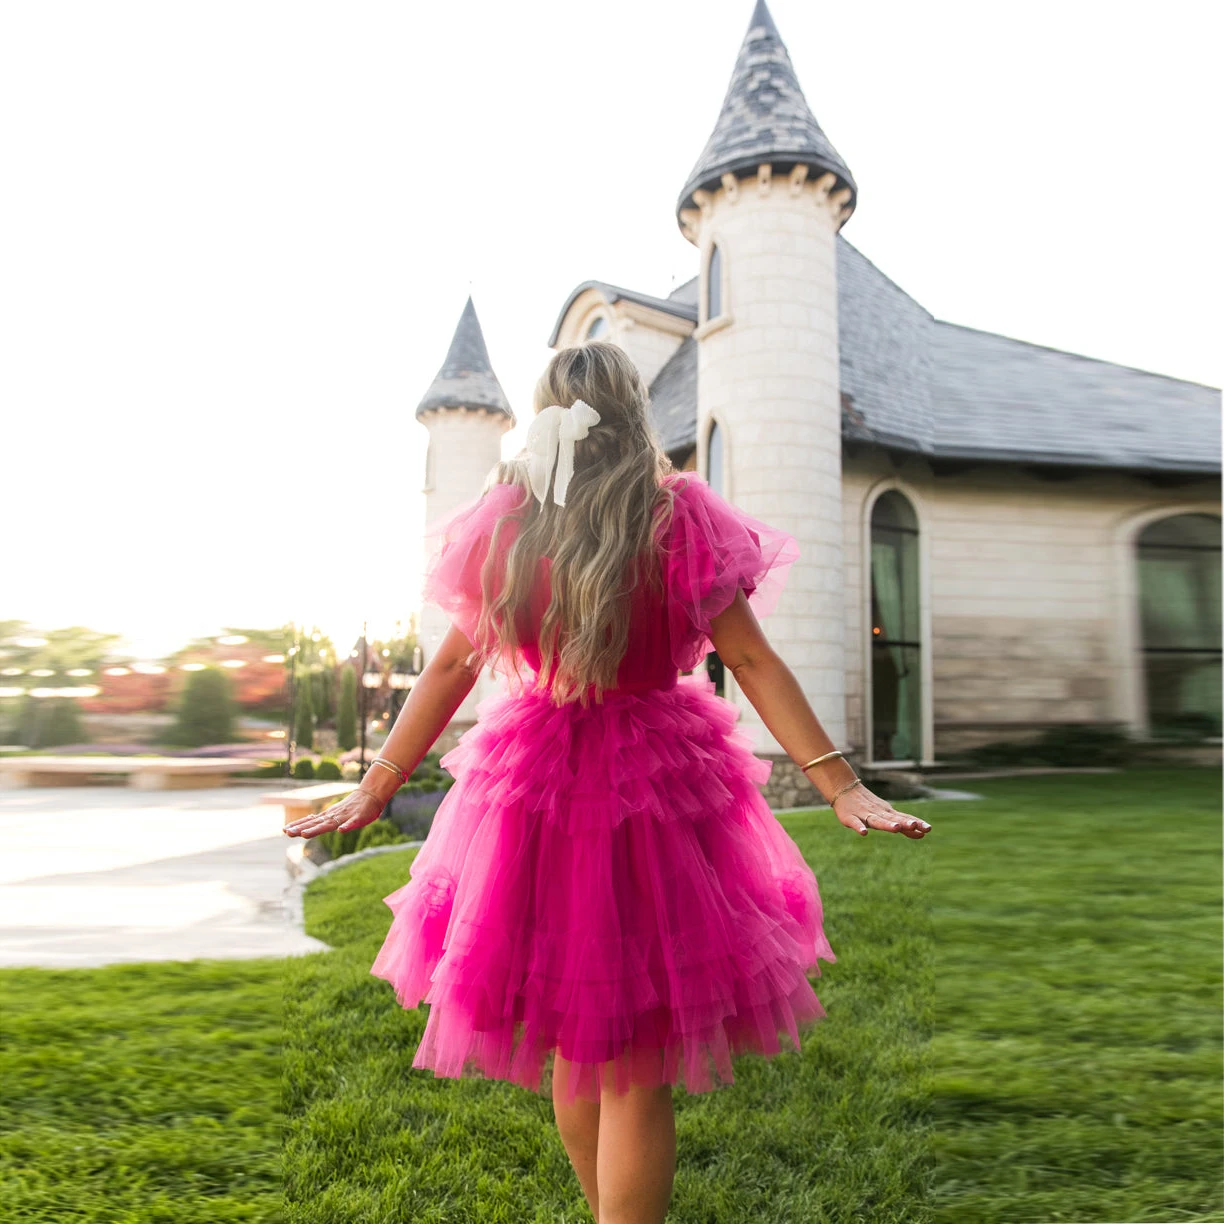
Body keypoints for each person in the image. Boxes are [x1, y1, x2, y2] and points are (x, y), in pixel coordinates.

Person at [285, 341, 931, 1224]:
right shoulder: (675, 517)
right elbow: (751, 659)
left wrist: (378, 782)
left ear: (547, 412)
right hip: (656, 780)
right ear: (634, 412)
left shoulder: (510, 524)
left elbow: (446, 673)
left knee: (579, 1048)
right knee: (631, 1068)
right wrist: (838, 782)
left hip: (534, 779)